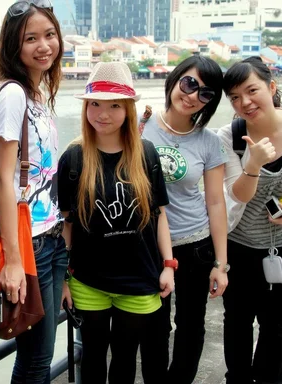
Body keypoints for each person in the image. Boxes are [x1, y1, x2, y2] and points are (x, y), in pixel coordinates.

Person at [57, 62, 175, 384]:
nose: (102, 114)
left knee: (125, 358)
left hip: (139, 280)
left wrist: (168, 265)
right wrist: (63, 279)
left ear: (128, 109)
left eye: (114, 106)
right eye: (95, 104)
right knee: (92, 357)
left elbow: (159, 215)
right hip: (87, 280)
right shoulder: (74, 158)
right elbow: (66, 223)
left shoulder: (146, 154)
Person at [218, 56, 282, 384]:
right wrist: (254, 163)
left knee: (277, 320)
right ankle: (237, 378)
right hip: (241, 246)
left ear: (271, 87)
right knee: (237, 319)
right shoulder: (231, 136)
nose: (244, 102)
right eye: (234, 97)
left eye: (252, 91)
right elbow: (239, 195)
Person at [140, 55, 229, 384]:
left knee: (192, 325)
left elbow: (216, 202)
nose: (192, 95)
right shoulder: (140, 123)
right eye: (189, 83)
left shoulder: (209, 141)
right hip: (149, 246)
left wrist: (221, 263)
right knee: (153, 326)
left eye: (204, 93)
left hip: (194, 245)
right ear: (175, 79)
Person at [0, 0, 66, 382]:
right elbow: (4, 177)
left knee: (41, 354)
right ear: (13, 47)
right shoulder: (12, 94)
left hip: (50, 237)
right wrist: (14, 260)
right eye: (30, 38)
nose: (44, 46)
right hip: (28, 242)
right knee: (36, 359)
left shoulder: (38, 94)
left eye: (49, 35)